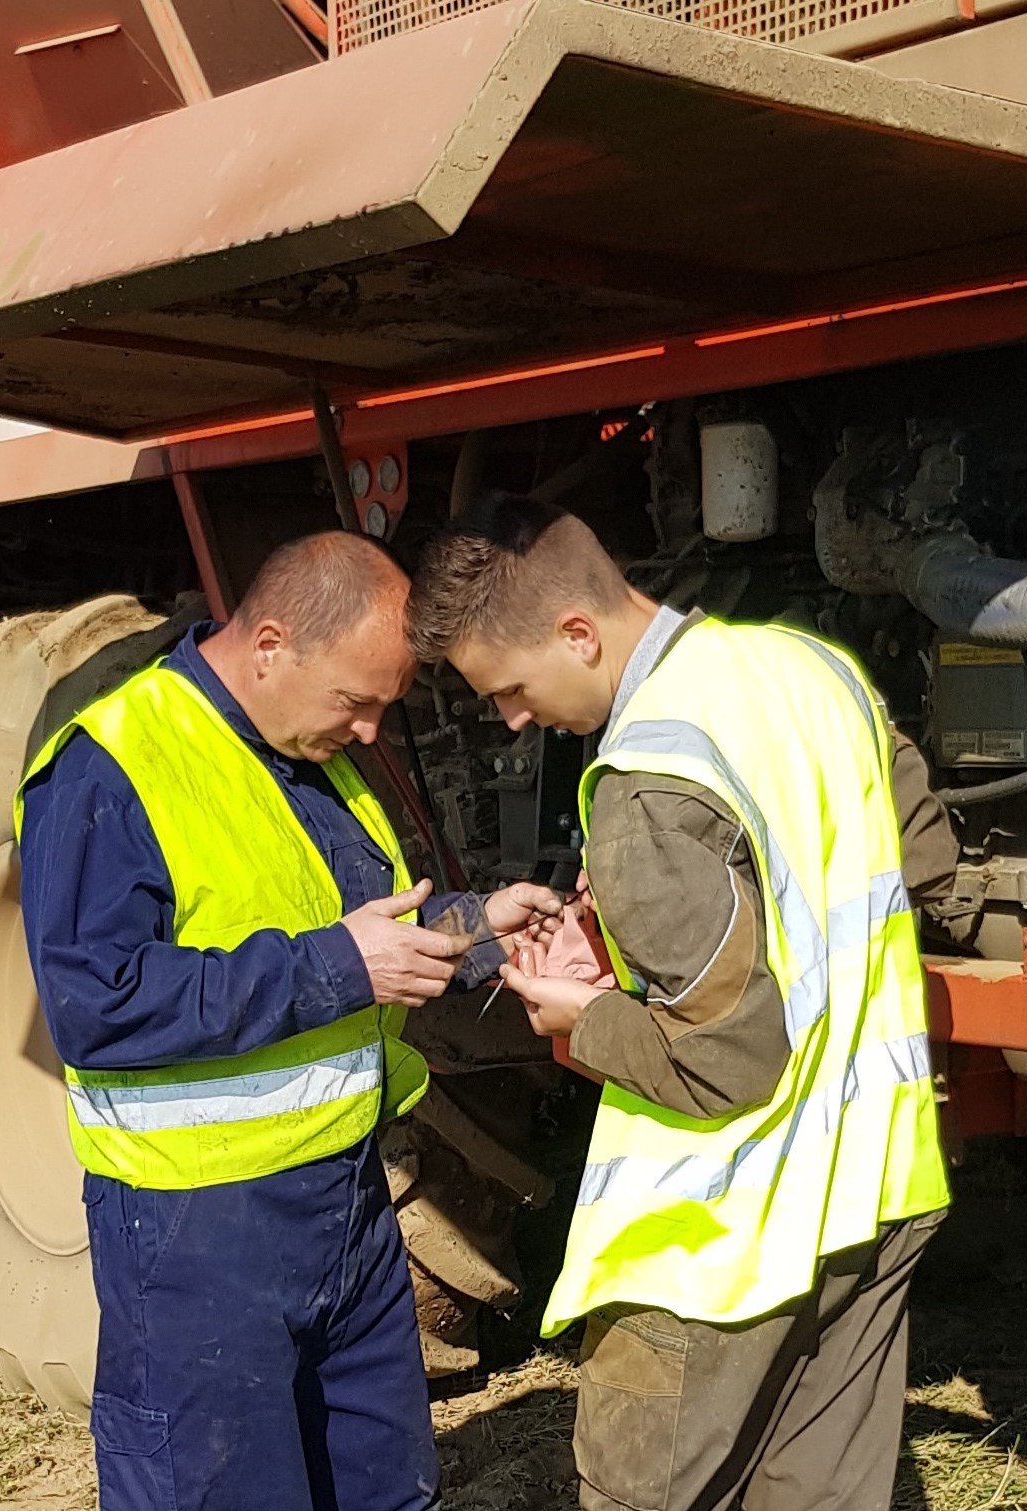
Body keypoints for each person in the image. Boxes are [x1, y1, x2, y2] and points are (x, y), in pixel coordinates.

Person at [407, 494, 956, 1511]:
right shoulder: (812, 669)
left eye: (512, 688)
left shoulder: (645, 781)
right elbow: (919, 859)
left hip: (720, 1243)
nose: (512, 717)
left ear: (579, 633)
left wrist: (579, 1015)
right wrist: (632, 932)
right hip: (876, 1184)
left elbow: (725, 1062)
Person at [16, 530, 563, 1511]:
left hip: (346, 1201)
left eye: (381, 708)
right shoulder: (108, 765)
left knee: (382, 1486)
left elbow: (349, 933)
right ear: (268, 644)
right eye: (357, 702)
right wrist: (337, 965)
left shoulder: (307, 747)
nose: (367, 732)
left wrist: (475, 930)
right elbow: (95, 1003)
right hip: (196, 1230)